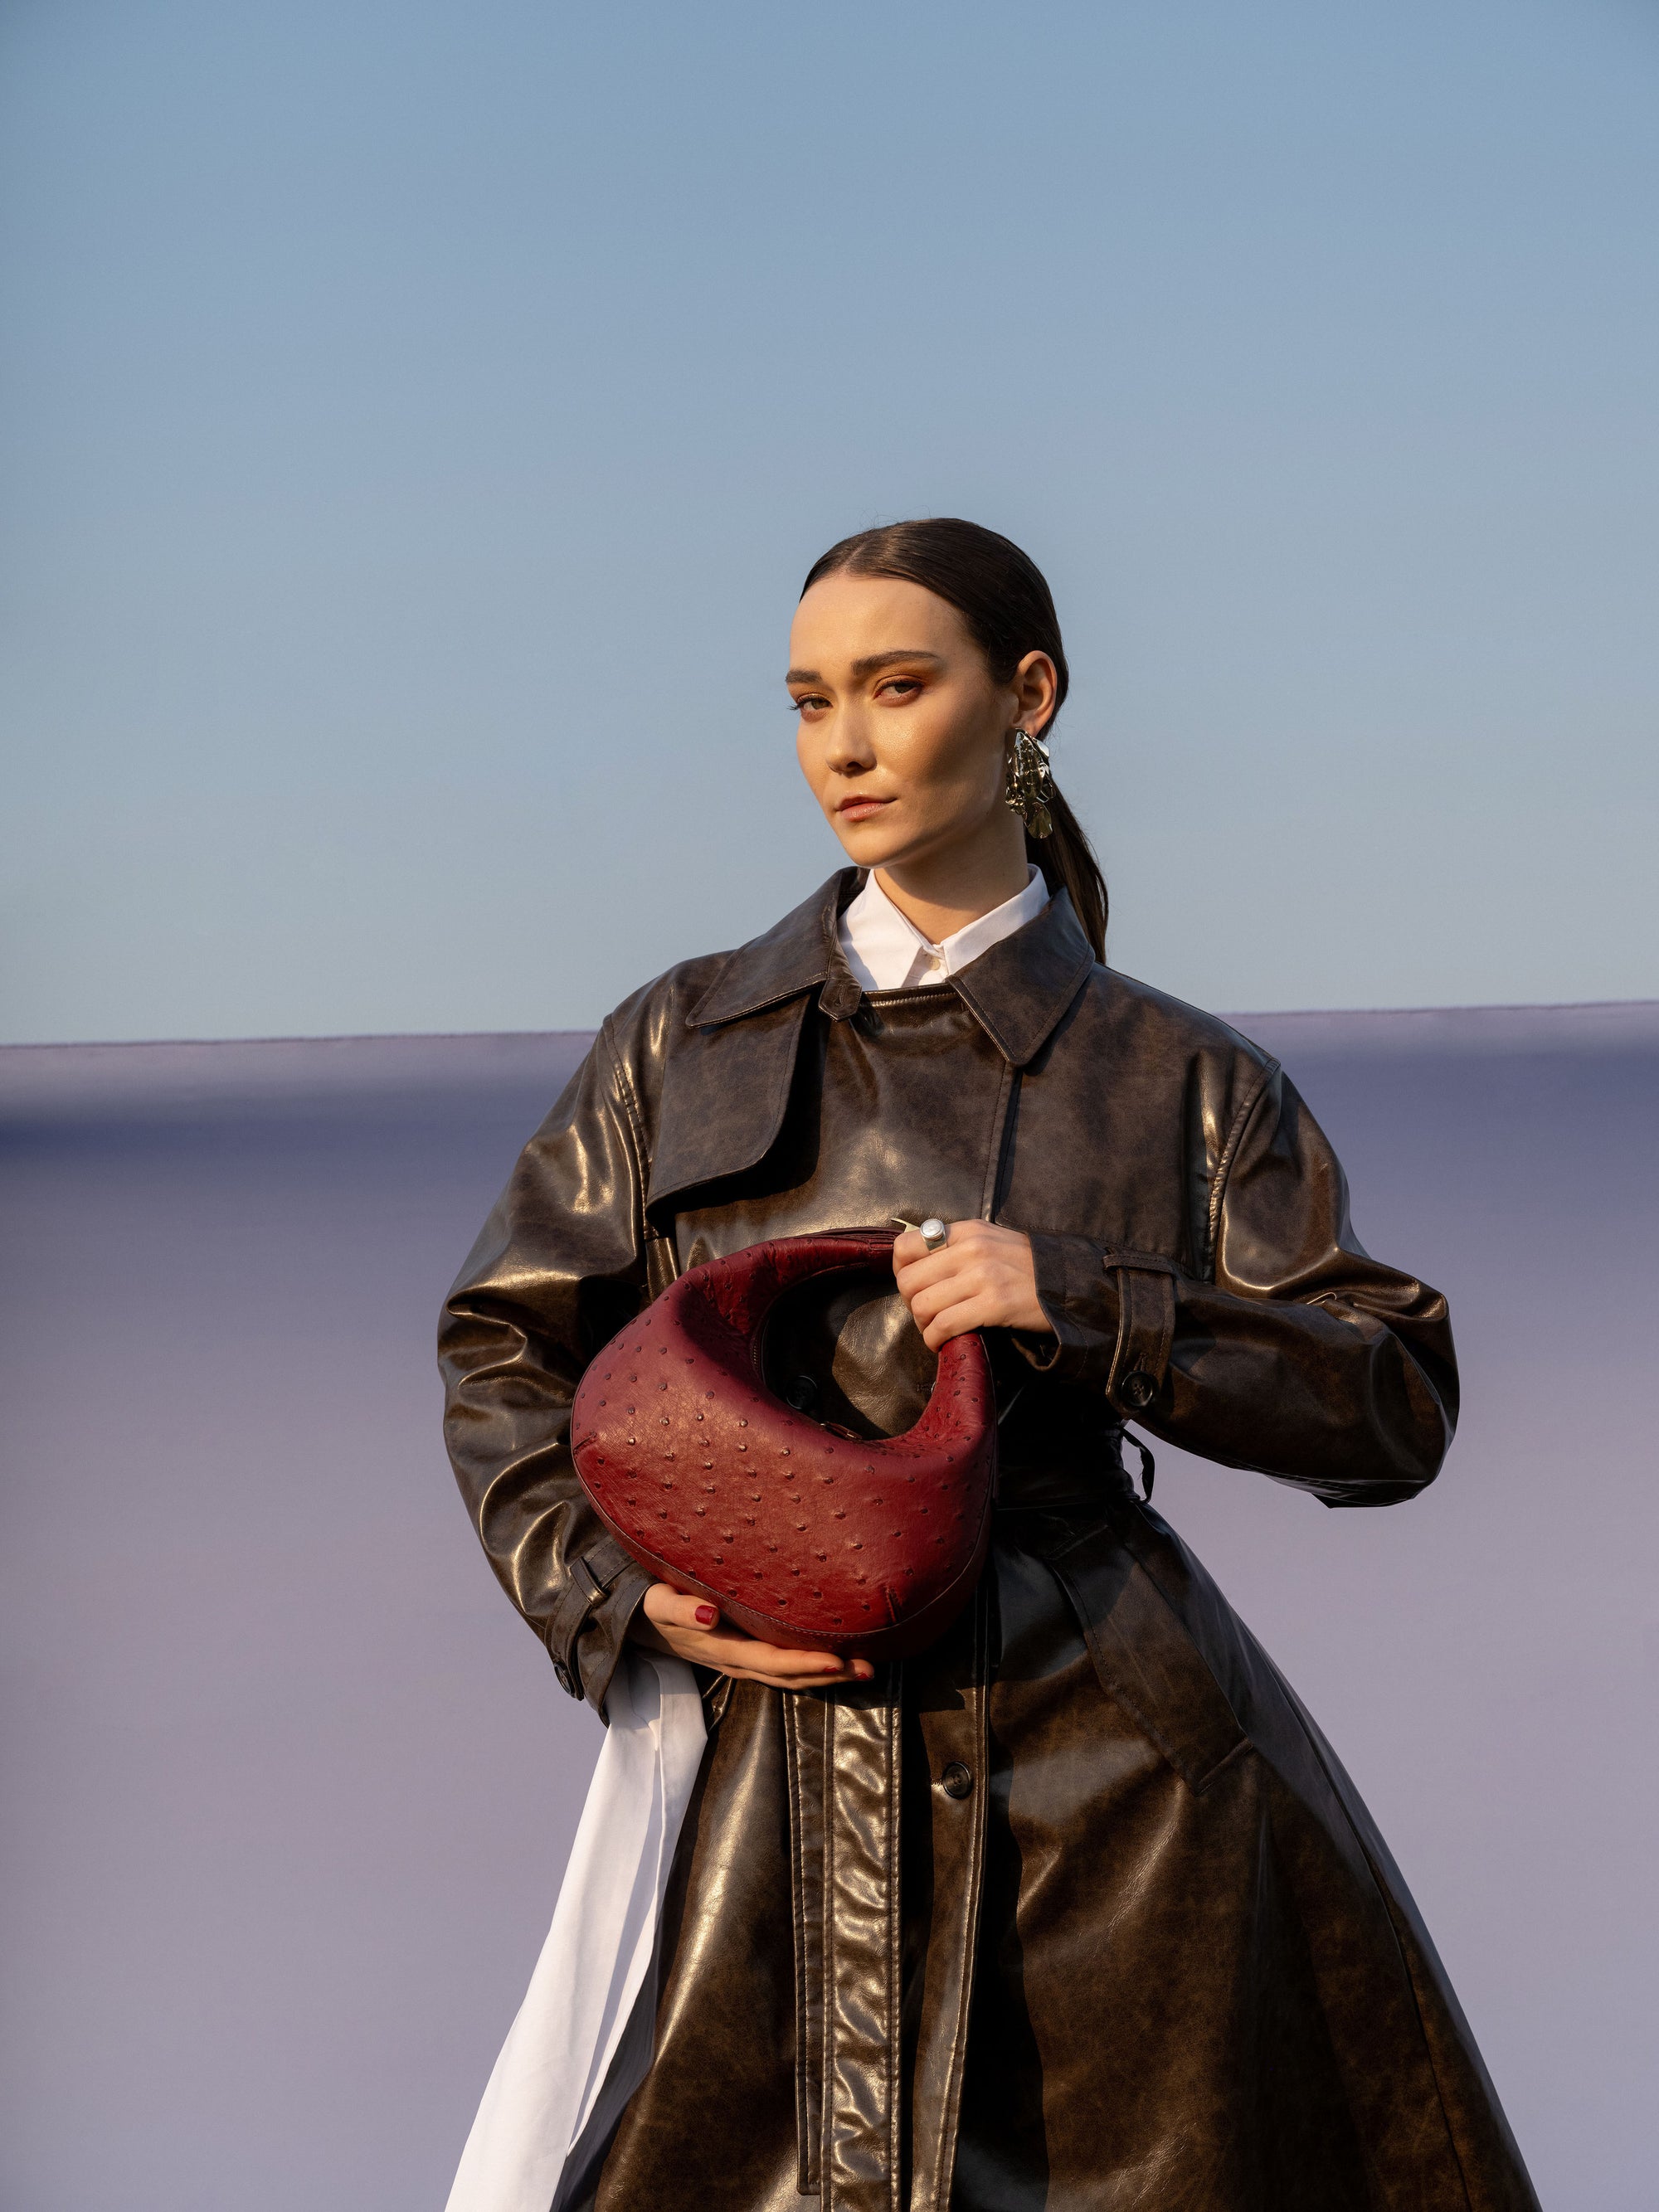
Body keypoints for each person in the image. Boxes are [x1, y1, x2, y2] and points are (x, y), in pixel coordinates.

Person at [439, 518, 1538, 2211]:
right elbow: (507, 1342)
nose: (847, 744)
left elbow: (1385, 1395)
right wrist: (611, 1587)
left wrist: (1090, 1299)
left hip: (1118, 1791)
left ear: (1026, 695)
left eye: (896, 685)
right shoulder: (681, 1039)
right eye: (810, 700)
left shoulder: (1175, 1072)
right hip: (761, 1763)